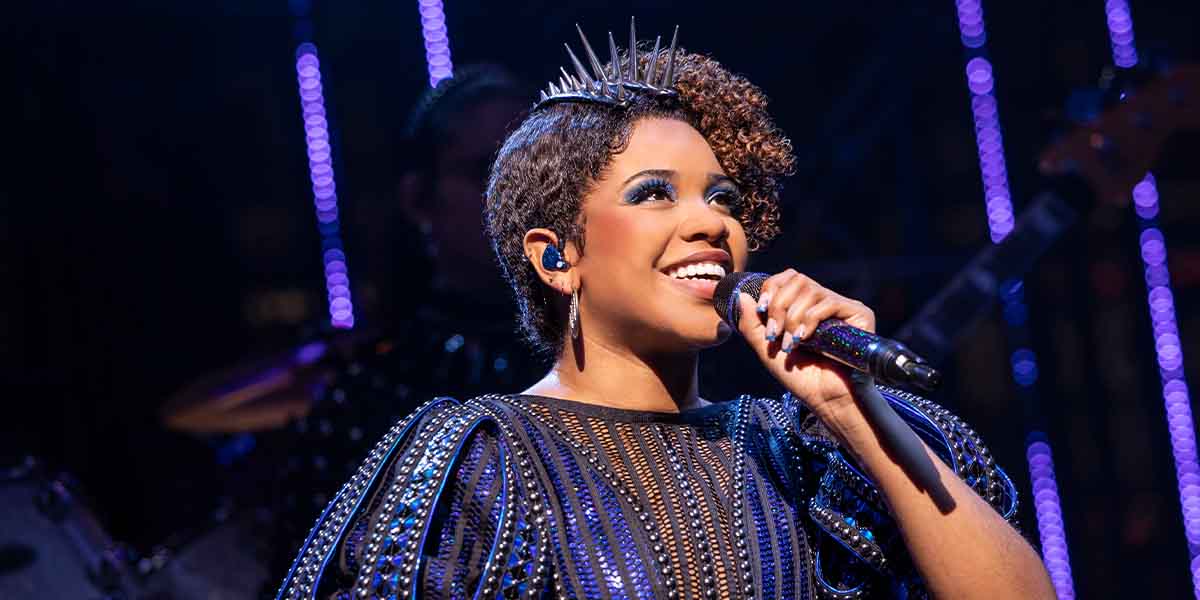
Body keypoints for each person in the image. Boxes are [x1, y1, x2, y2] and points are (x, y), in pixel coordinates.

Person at [276, 21, 1055, 599]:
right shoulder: (485, 458)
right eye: (654, 194)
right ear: (557, 257)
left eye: (724, 199)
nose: (712, 222)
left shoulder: (798, 448)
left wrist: (854, 410)